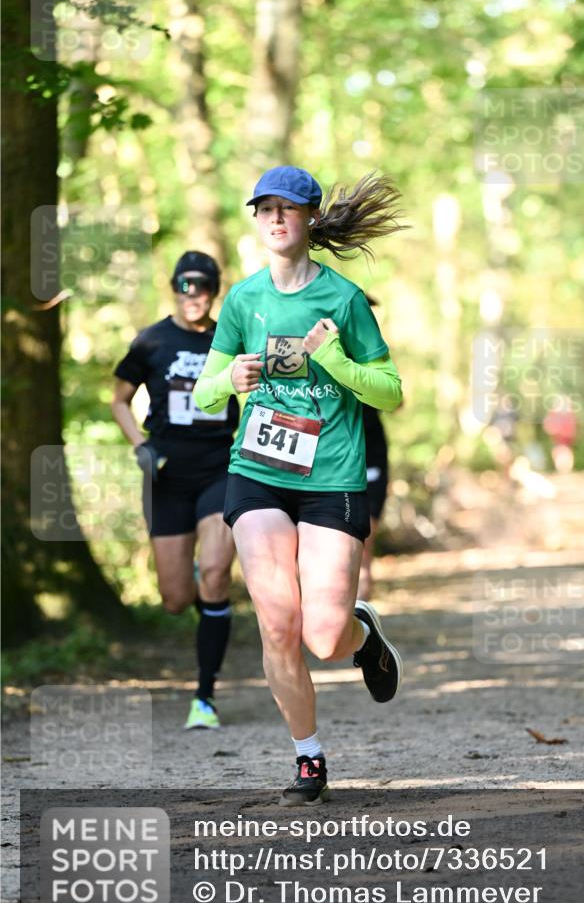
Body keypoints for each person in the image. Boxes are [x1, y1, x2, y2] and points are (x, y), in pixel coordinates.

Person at [193, 165, 405, 805]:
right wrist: (231, 381)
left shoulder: (342, 299)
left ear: (311, 218)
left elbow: (391, 393)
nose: (277, 218)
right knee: (278, 624)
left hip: (331, 476)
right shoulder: (242, 300)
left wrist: (336, 362)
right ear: (255, 219)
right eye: (266, 209)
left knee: (323, 636)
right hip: (256, 471)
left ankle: (362, 637)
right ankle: (308, 758)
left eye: (289, 208)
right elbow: (203, 394)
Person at [111, 251, 240, 730]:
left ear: (214, 290)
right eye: (186, 287)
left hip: (218, 468)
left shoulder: (230, 337)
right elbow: (119, 401)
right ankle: (188, 566)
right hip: (164, 475)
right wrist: (139, 445)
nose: (195, 296)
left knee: (216, 574)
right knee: (174, 599)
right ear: (174, 288)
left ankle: (204, 697)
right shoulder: (152, 340)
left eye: (204, 287)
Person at [358, 297, 390, 601]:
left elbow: (396, 399)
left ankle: (364, 622)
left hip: (372, 454)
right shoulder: (322, 352)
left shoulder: (376, 356)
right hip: (332, 459)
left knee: (365, 543)